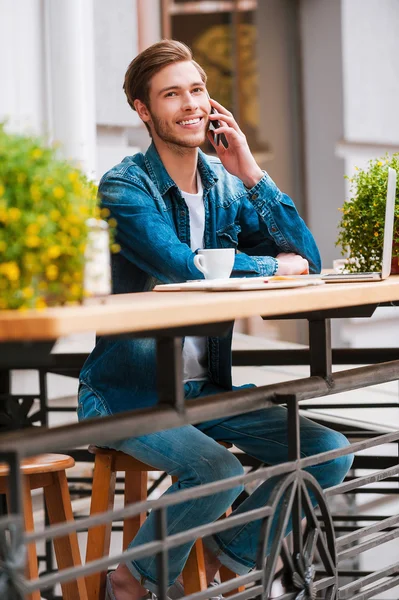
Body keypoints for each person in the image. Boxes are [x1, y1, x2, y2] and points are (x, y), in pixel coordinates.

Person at [78, 40, 353, 600]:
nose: (190, 104)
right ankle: (131, 577)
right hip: (129, 392)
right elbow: (179, 267)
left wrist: (250, 171)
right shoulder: (126, 186)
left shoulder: (227, 186)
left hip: (209, 391)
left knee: (329, 451)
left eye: (197, 90)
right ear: (143, 111)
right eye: (171, 94)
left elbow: (309, 262)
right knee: (217, 471)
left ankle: (233, 544)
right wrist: (269, 266)